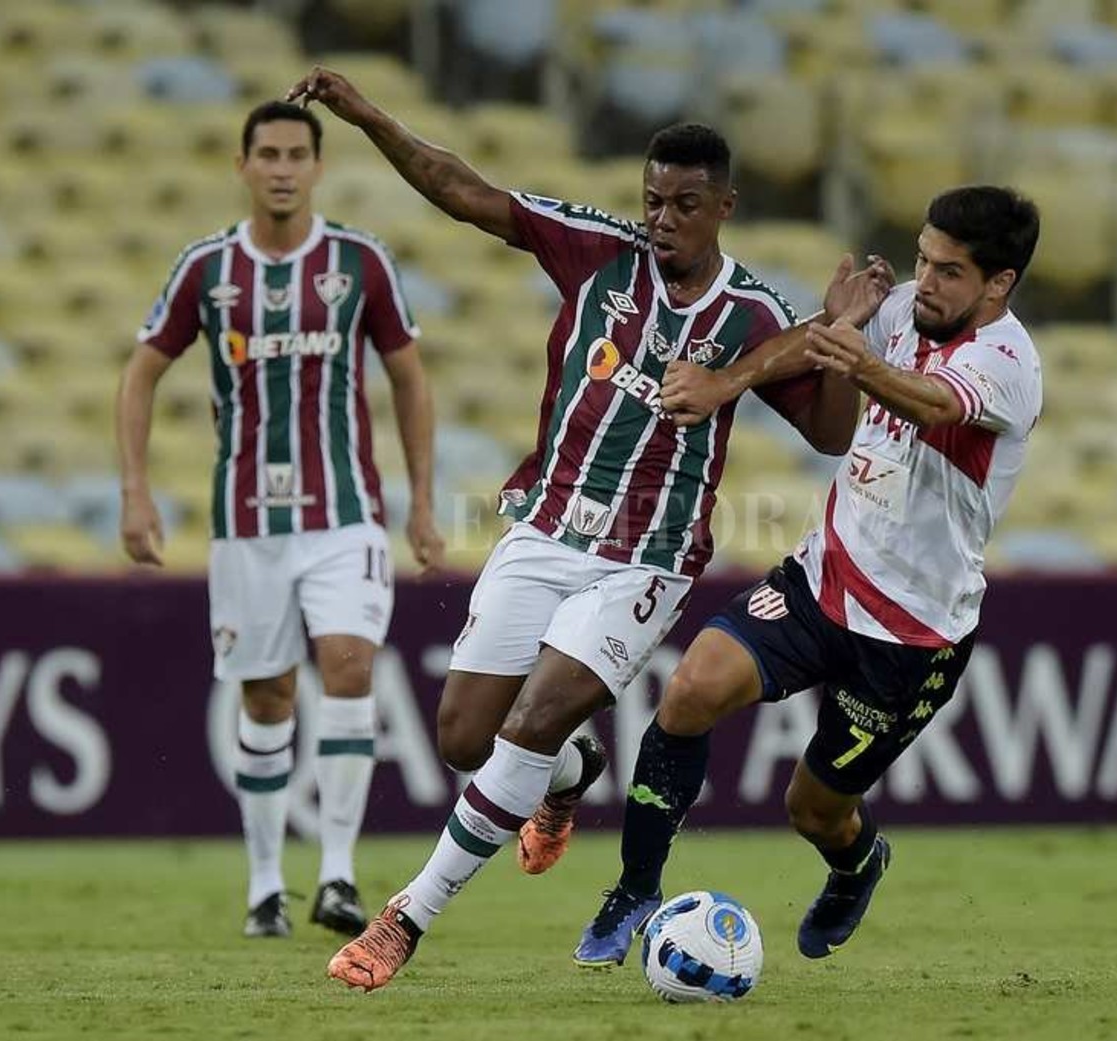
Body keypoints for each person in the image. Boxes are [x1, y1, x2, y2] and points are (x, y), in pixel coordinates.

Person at [284, 65, 892, 992]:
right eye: (652, 200)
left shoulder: (753, 318)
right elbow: (461, 191)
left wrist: (844, 343)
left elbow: (832, 432)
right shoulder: (593, 252)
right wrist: (366, 113)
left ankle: (406, 916)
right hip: (543, 530)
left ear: (722, 206)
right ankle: (569, 778)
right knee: (463, 737)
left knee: (533, 715)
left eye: (685, 204)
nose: (662, 218)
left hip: (646, 560)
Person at [571, 185, 1042, 966]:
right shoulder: (900, 313)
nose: (922, 282)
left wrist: (857, 357)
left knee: (814, 808)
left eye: (948, 271)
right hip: (819, 580)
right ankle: (634, 889)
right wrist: (798, 348)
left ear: (998, 284)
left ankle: (857, 863)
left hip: (911, 633)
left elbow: (932, 404)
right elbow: (814, 345)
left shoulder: (1008, 363)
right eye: (921, 259)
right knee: (689, 690)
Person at [116, 100, 445, 940]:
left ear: (317, 166)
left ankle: (336, 873)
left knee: (346, 664)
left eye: (297, 153)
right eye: (267, 153)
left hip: (346, 515)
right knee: (266, 697)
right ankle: (265, 880)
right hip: (246, 523)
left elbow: (409, 378)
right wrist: (135, 491)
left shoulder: (358, 262)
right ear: (243, 165)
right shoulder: (207, 269)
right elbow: (141, 372)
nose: (282, 167)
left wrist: (423, 502)